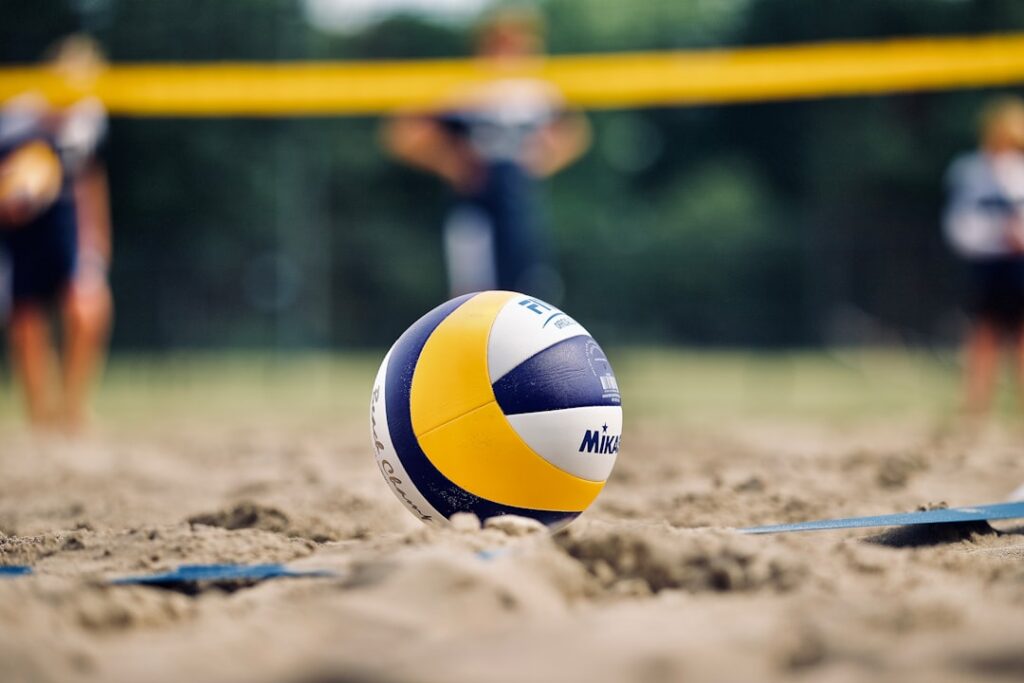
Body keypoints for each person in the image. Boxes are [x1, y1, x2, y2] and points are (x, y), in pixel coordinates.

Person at [383, 7, 590, 299]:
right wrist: (451, 163)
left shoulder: (537, 91)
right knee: (474, 289)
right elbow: (403, 132)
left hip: (520, 202)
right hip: (475, 201)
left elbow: (575, 132)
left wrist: (539, 162)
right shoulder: (466, 88)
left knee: (528, 284)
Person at [0, 36, 112, 431]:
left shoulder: (89, 116)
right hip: (19, 231)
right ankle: (39, 418)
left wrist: (99, 236)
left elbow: (91, 179)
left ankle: (73, 409)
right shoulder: (14, 115)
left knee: (88, 307)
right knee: (25, 318)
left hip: (66, 222)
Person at [944, 96, 1024, 416]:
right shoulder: (970, 170)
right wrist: (994, 234)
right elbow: (959, 222)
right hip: (987, 261)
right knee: (984, 332)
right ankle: (976, 404)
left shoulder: (1019, 171)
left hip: (1018, 261)